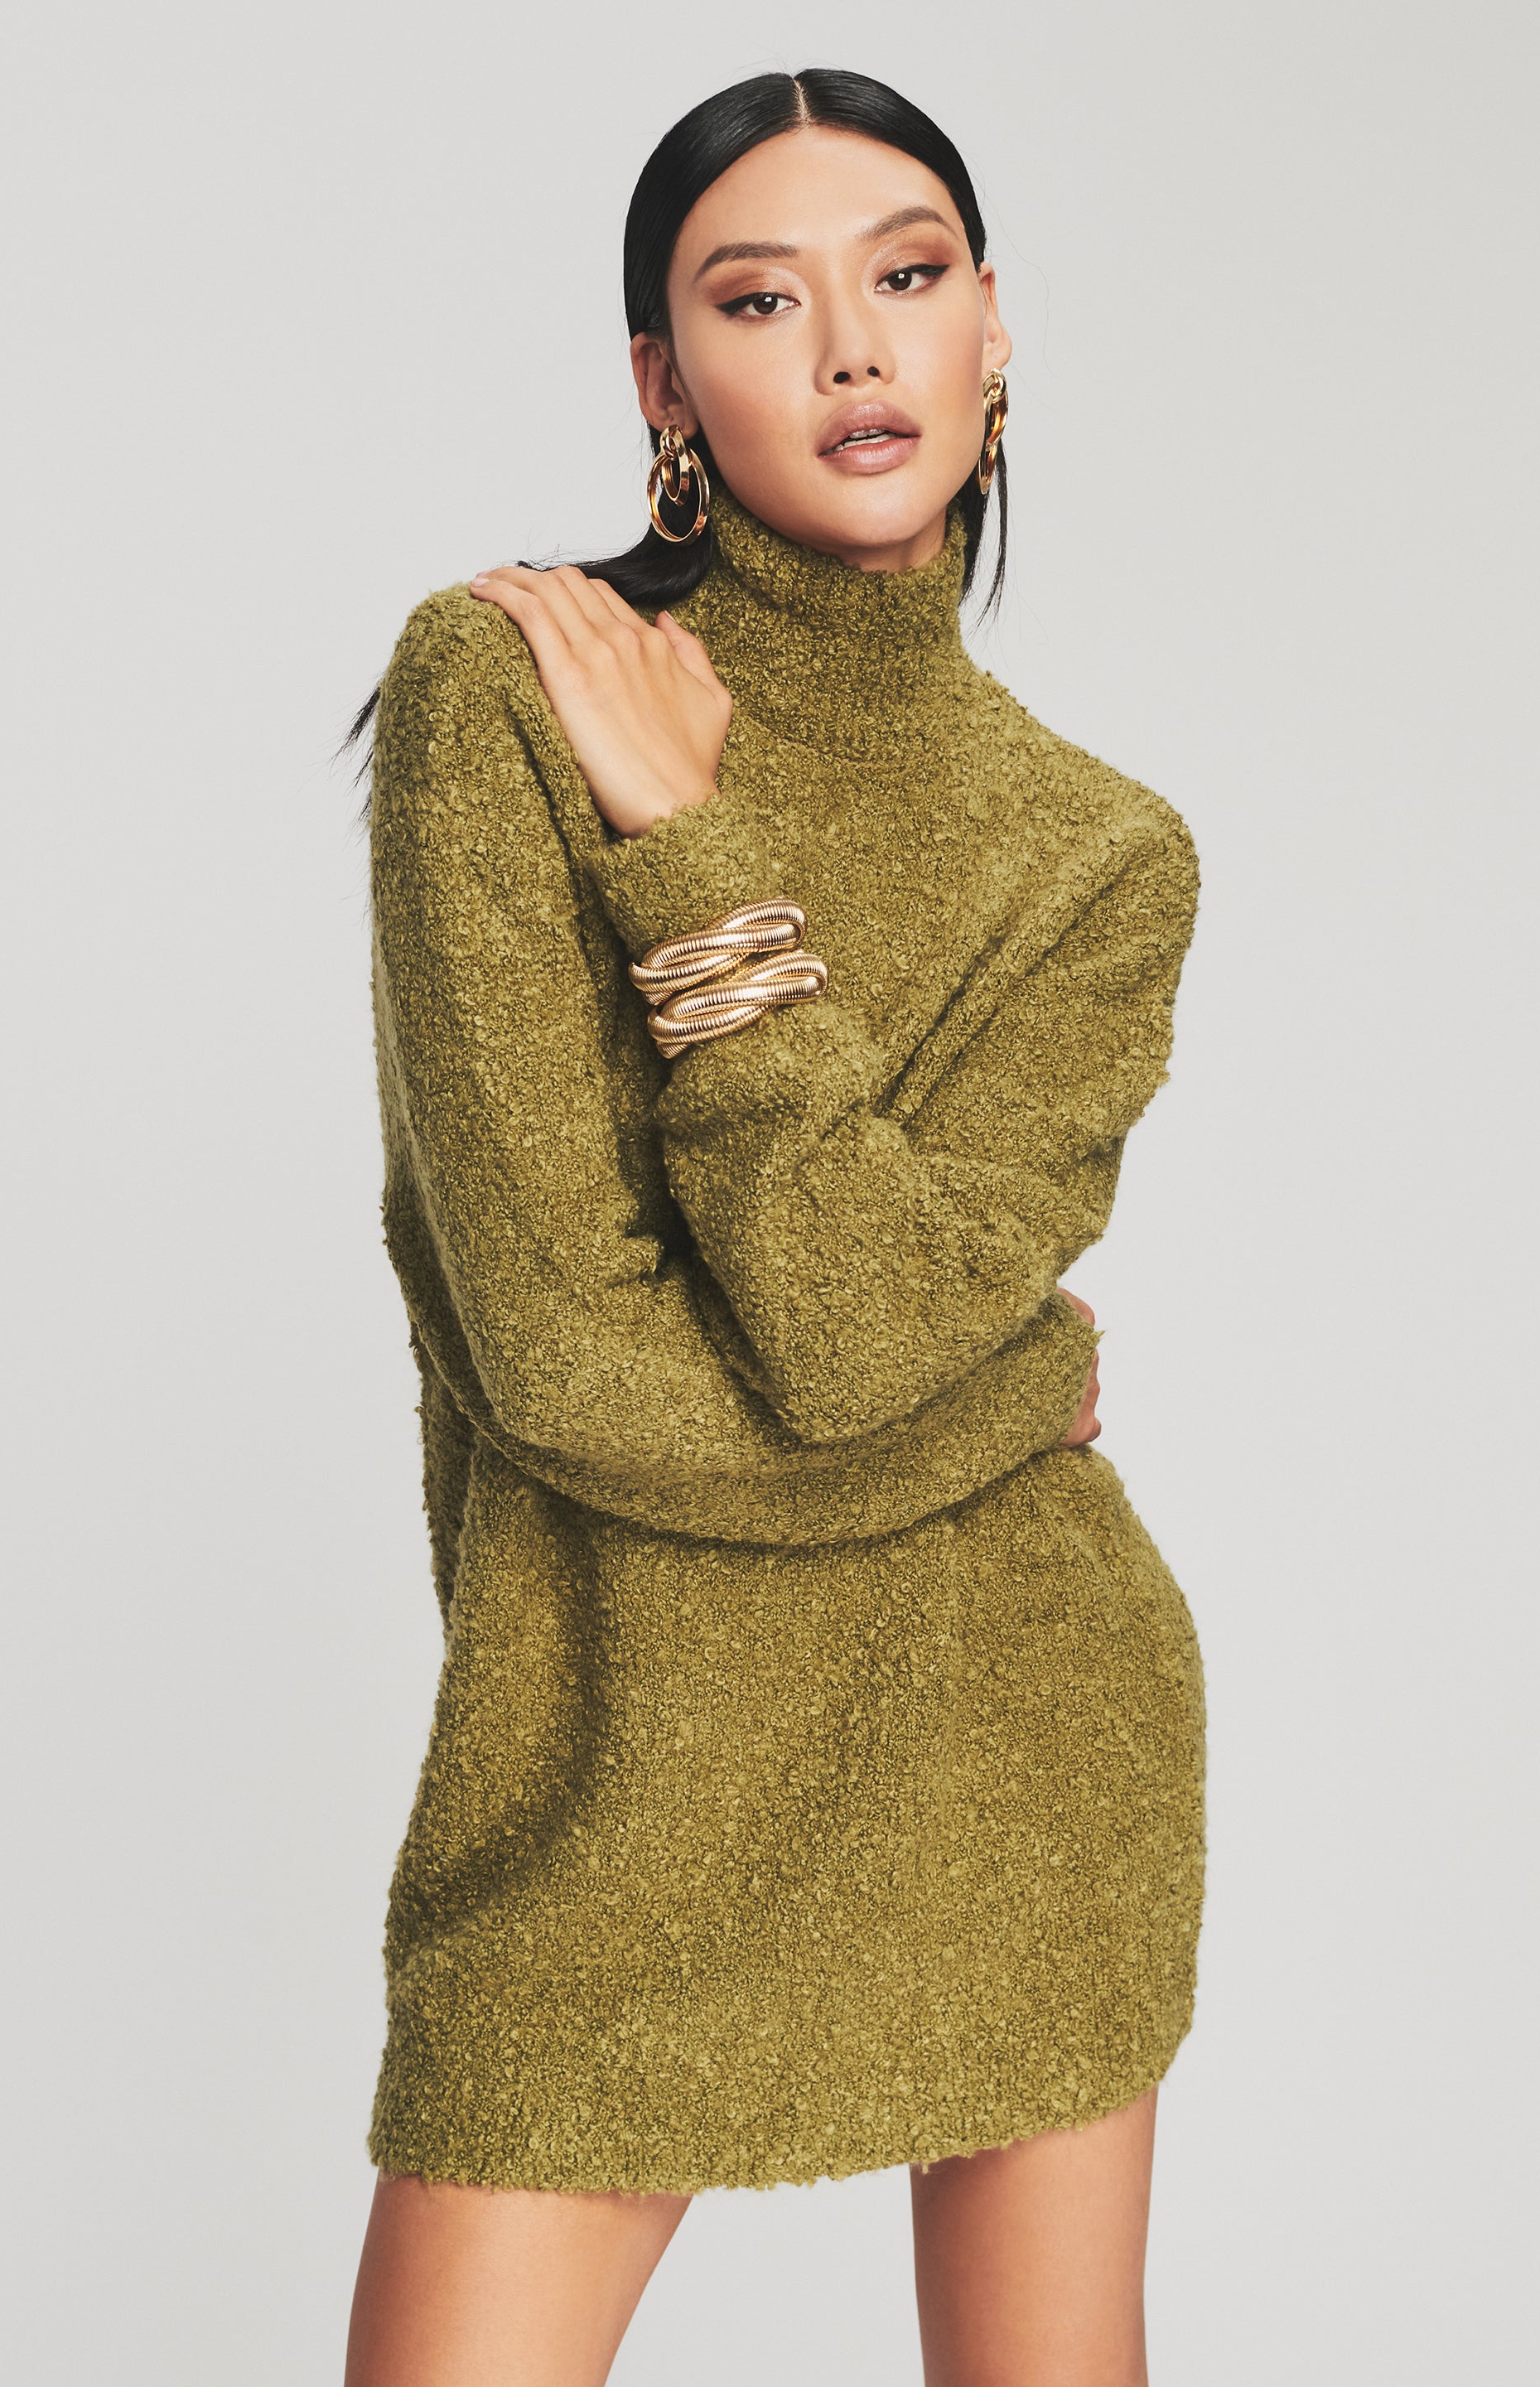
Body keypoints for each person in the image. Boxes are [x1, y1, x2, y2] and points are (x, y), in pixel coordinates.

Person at [345, 67, 1204, 2387]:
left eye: (905, 276)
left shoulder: (1100, 855)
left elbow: (843, 1329)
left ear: (993, 325)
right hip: (606, 1780)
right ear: (662, 381)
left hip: (1027, 1743)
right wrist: (1015, 1391)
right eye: (757, 298)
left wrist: (698, 872)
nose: (850, 348)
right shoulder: (506, 688)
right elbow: (564, 1370)